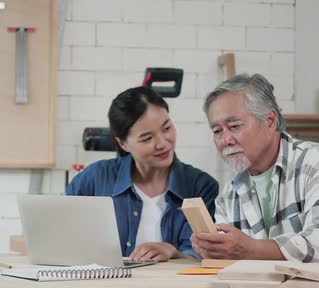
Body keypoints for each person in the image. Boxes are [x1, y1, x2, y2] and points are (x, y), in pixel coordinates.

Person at [191, 73, 319, 262]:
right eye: (217, 131)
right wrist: (212, 249)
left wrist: (249, 249)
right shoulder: (228, 195)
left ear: (270, 120)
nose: (225, 140)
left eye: (234, 126)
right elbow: (230, 259)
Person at [66, 86, 219, 262]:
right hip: (103, 286)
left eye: (167, 128)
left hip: (173, 287)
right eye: (147, 138)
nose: (162, 143)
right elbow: (61, 233)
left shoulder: (200, 185)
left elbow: (202, 256)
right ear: (123, 144)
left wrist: (173, 252)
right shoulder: (94, 179)